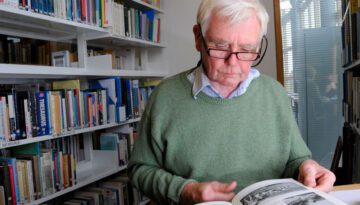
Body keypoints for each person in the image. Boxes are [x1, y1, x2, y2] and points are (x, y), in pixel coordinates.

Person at [128, 0, 336, 204]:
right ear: (198, 38)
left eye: (246, 50)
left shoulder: (275, 94)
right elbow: (140, 170)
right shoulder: (165, 97)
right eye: (220, 46)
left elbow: (295, 160)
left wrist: (308, 167)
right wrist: (186, 191)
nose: (233, 62)